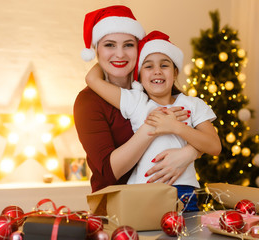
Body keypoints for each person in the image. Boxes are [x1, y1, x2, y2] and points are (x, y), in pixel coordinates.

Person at [85, 30, 222, 211]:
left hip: (184, 193)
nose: (157, 71)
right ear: (139, 76)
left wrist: (175, 127)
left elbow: (214, 146)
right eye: (148, 66)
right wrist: (105, 59)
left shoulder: (192, 104)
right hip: (143, 192)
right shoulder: (136, 102)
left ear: (175, 72)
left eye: (164, 65)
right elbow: (91, 79)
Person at [74, 5, 200, 198]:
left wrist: (190, 152)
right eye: (109, 45)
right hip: (117, 208)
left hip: (170, 202)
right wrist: (154, 125)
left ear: (138, 48)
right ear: (96, 50)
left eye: (128, 45)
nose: (120, 54)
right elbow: (108, 173)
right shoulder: (88, 102)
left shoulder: (154, 85)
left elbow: (199, 130)